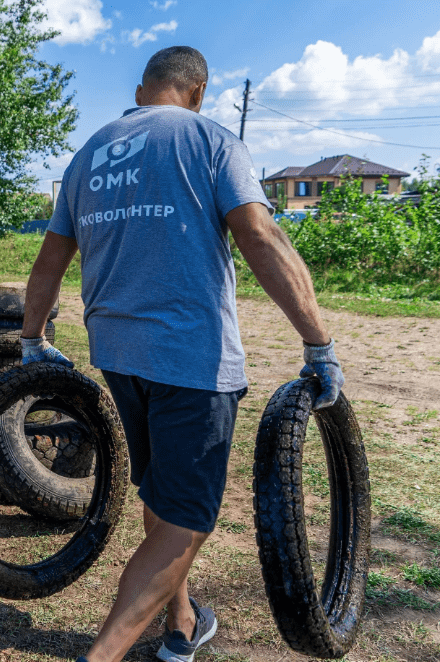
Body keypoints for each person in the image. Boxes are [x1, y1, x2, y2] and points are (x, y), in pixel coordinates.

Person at [19, 46, 344, 662]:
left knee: (162, 498)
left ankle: (181, 623)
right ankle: (104, 655)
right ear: (197, 92)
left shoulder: (90, 152)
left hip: (118, 355)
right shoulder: (211, 139)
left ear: (144, 91)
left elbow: (51, 258)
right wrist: (318, 343)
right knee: (187, 520)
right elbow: (258, 234)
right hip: (193, 361)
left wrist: (34, 340)